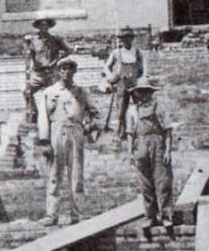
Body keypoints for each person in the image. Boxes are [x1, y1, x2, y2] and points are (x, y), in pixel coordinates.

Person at [36, 56, 98, 226]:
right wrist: (44, 140)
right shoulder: (49, 92)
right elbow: (43, 117)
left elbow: (95, 113)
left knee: (77, 174)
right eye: (63, 69)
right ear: (58, 71)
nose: (66, 72)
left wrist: (89, 127)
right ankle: (51, 214)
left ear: (74, 71)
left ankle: (78, 212)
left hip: (76, 132)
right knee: (54, 175)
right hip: (56, 132)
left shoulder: (81, 92)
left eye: (70, 68)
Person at [126, 77, 175, 238]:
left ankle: (166, 216)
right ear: (137, 93)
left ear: (151, 92)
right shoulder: (132, 110)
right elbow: (130, 133)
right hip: (140, 145)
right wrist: (129, 152)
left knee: (163, 181)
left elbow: (167, 130)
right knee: (145, 184)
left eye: (146, 91)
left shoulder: (159, 107)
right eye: (140, 91)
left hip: (157, 143)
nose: (143, 94)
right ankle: (150, 217)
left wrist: (168, 150)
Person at [23, 15, 72, 124]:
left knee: (57, 94)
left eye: (46, 25)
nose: (44, 27)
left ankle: (57, 115)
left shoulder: (55, 39)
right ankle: (34, 113)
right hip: (38, 73)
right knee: (27, 92)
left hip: (52, 72)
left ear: (49, 26)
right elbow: (28, 56)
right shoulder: (33, 40)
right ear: (38, 27)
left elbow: (69, 50)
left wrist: (59, 59)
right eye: (42, 25)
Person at [103, 27, 145, 138]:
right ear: (121, 40)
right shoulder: (116, 53)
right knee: (121, 109)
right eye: (123, 38)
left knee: (139, 107)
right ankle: (122, 133)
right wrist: (111, 77)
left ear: (132, 39)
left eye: (128, 38)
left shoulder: (137, 52)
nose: (126, 40)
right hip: (121, 83)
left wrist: (136, 77)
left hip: (135, 84)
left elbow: (141, 69)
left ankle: (139, 131)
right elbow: (106, 67)